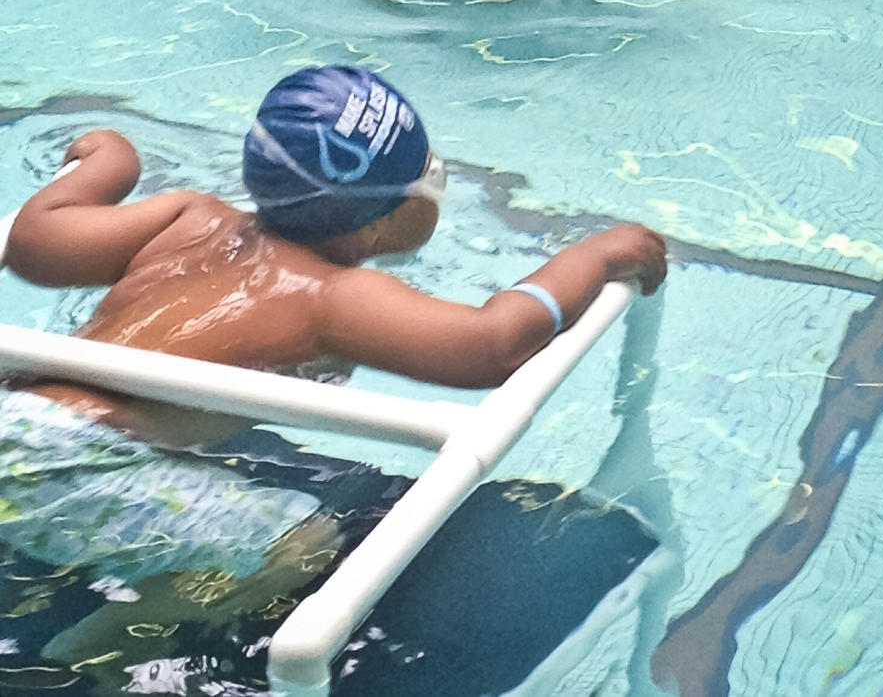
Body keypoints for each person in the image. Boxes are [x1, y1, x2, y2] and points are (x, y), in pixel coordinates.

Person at [1, 64, 666, 659]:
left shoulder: (185, 214)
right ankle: (87, 660)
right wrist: (597, 256)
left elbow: (34, 246)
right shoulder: (334, 295)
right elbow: (492, 345)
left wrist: (110, 160)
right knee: (299, 544)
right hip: (66, 464)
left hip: (15, 407)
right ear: (386, 217)